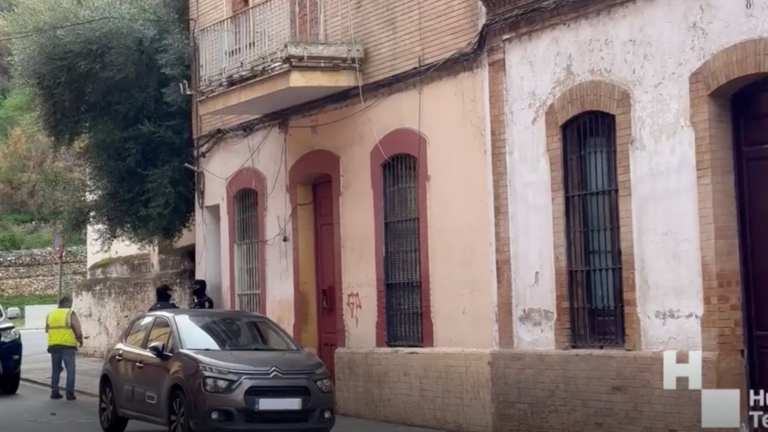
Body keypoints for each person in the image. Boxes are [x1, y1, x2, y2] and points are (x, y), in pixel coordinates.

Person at [45, 295, 83, 401]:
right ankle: (70, 394)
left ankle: (54, 392)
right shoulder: (70, 313)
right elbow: (77, 328)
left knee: (55, 370)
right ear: (68, 302)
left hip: (53, 346)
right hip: (68, 346)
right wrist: (80, 340)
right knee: (70, 370)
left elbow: (47, 329)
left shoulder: (51, 314)